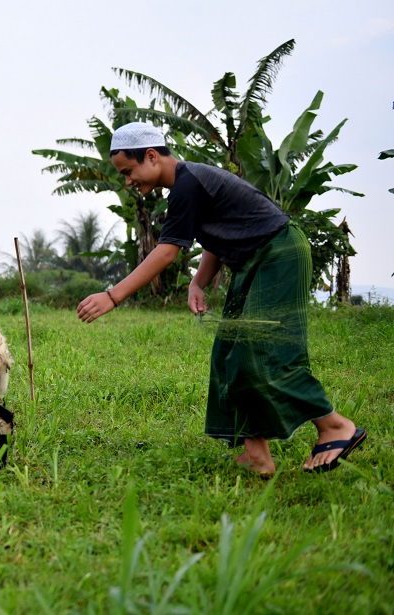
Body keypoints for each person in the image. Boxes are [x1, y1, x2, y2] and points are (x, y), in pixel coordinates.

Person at [76, 122, 366, 477]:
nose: (128, 181)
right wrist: (198, 281)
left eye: (128, 171)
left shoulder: (187, 183)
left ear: (151, 156)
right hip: (254, 261)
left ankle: (335, 426)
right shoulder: (187, 184)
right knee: (228, 355)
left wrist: (112, 295)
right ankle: (255, 453)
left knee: (262, 353)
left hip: (278, 254)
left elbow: (167, 252)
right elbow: (216, 232)